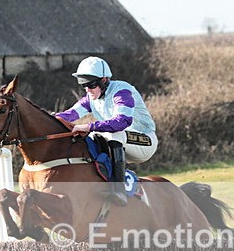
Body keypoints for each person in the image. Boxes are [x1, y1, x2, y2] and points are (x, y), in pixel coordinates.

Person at [55, 56, 157, 206]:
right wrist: (47, 118)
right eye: (83, 85)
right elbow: (70, 115)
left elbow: (122, 121)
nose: (88, 90)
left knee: (107, 133)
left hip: (145, 141)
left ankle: (119, 190)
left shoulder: (122, 91)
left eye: (91, 85)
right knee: (93, 137)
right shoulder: (91, 97)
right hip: (123, 141)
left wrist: (89, 126)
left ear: (104, 80)